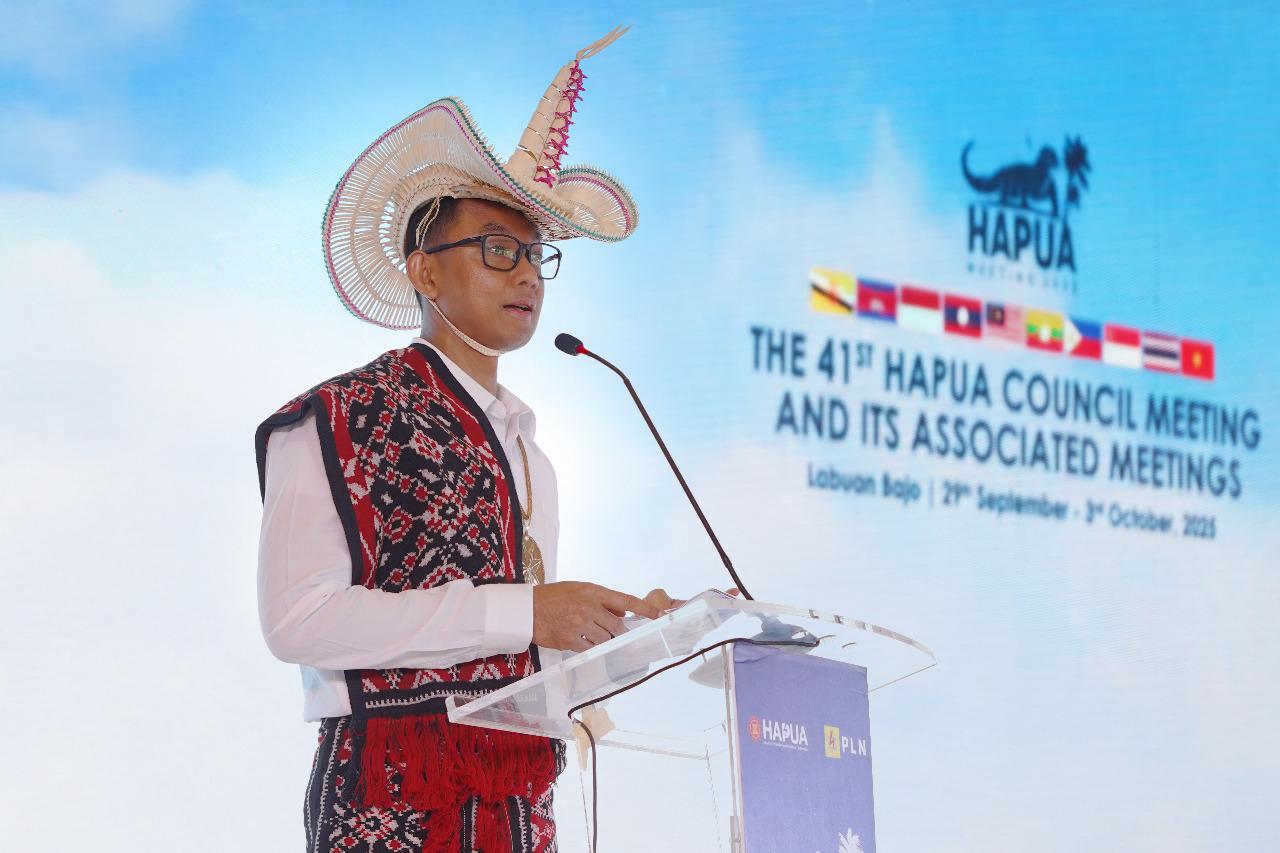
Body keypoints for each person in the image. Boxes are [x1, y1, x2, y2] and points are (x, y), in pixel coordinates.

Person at [254, 28, 672, 853]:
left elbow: (523, 649)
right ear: (425, 270)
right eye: (496, 249)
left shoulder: (531, 455)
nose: (525, 274)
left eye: (535, 256)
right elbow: (297, 621)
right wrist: (527, 610)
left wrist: (630, 633)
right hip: (393, 803)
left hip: (520, 805)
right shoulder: (340, 415)